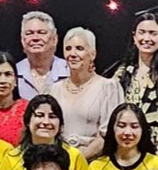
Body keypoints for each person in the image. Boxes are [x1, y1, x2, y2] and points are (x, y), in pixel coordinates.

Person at [111, 12, 158, 157]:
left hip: (157, 153)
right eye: (142, 33)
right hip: (124, 151)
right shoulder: (122, 72)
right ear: (134, 37)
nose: (147, 38)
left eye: (153, 33)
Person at [53, 26, 124, 160]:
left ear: (93, 54)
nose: (72, 54)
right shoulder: (54, 89)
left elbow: (109, 134)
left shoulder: (108, 87)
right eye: (68, 49)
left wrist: (78, 160)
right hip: (58, 163)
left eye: (79, 48)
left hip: (95, 164)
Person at [15, 10, 69, 99]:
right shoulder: (13, 73)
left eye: (41, 32)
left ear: (54, 39)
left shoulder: (70, 71)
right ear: (22, 40)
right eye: (29, 33)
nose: (35, 38)